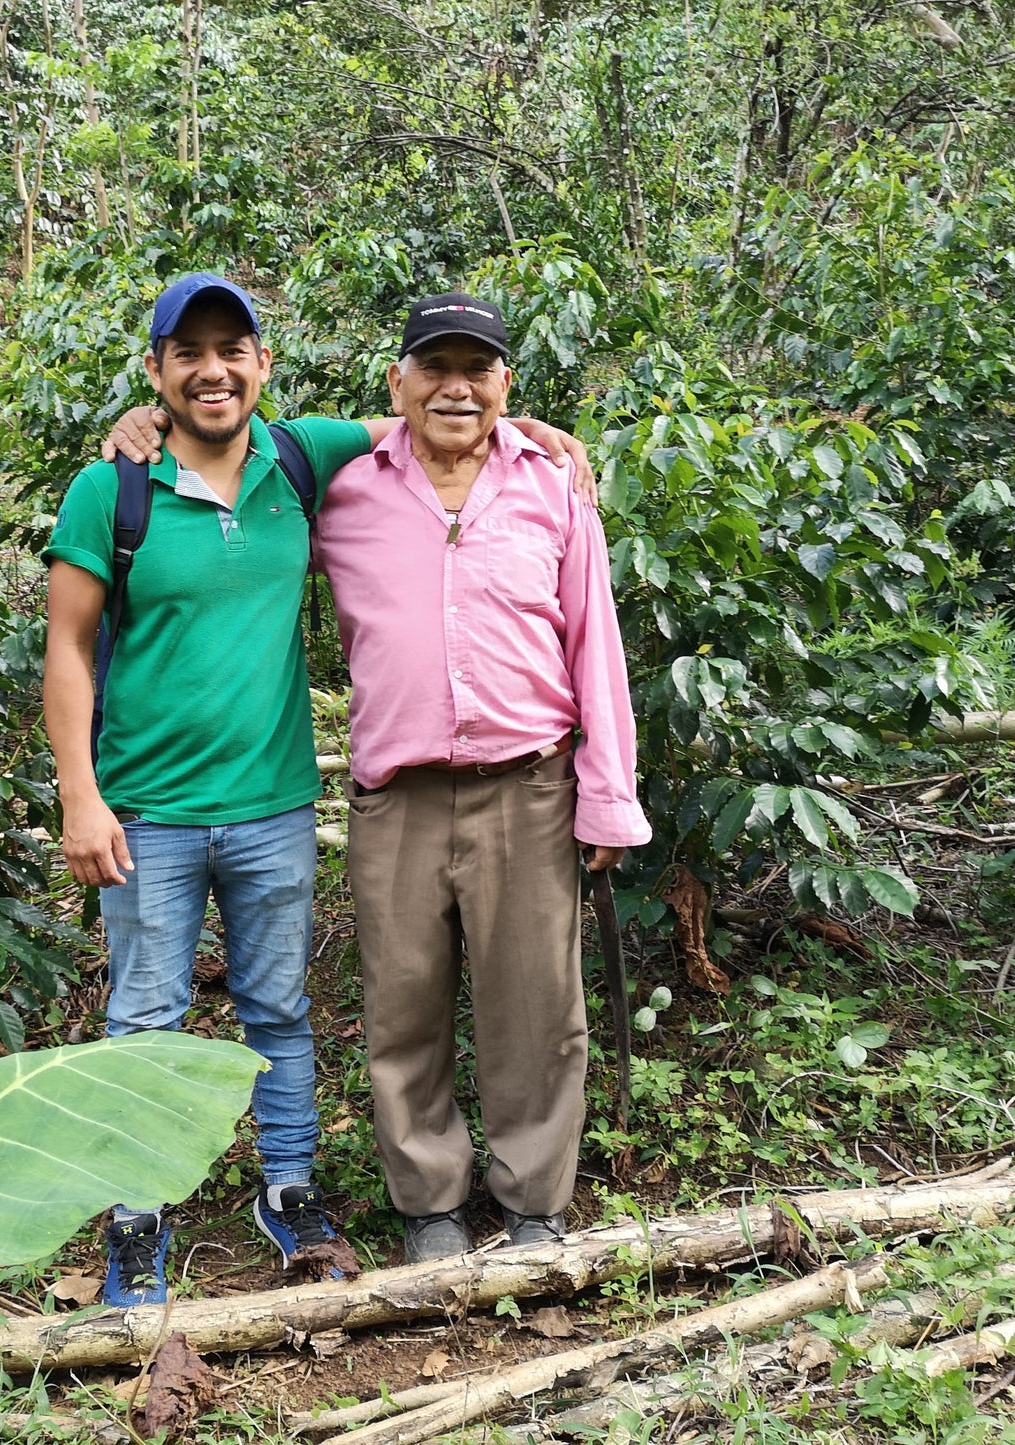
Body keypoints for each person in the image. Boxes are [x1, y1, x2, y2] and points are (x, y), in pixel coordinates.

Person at [45, 273, 588, 1303]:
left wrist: (528, 429)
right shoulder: (111, 489)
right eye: (187, 353)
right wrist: (81, 792)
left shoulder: (298, 458)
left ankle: (289, 1187)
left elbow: (433, 416)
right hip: (148, 807)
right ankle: (137, 1209)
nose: (212, 371)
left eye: (231, 350)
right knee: (144, 1014)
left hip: (273, 801)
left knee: (279, 1010)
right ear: (155, 369)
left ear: (262, 364)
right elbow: (67, 647)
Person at [312, 293, 651, 1263]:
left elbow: (594, 646)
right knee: (402, 1003)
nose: (454, 388)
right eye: (434, 368)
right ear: (397, 382)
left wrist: (607, 796)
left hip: (529, 787)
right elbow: (229, 454)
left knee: (535, 1005)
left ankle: (534, 1198)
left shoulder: (550, 483)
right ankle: (429, 1203)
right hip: (397, 796)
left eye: (477, 370)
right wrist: (145, 424)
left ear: (506, 383)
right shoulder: (342, 488)